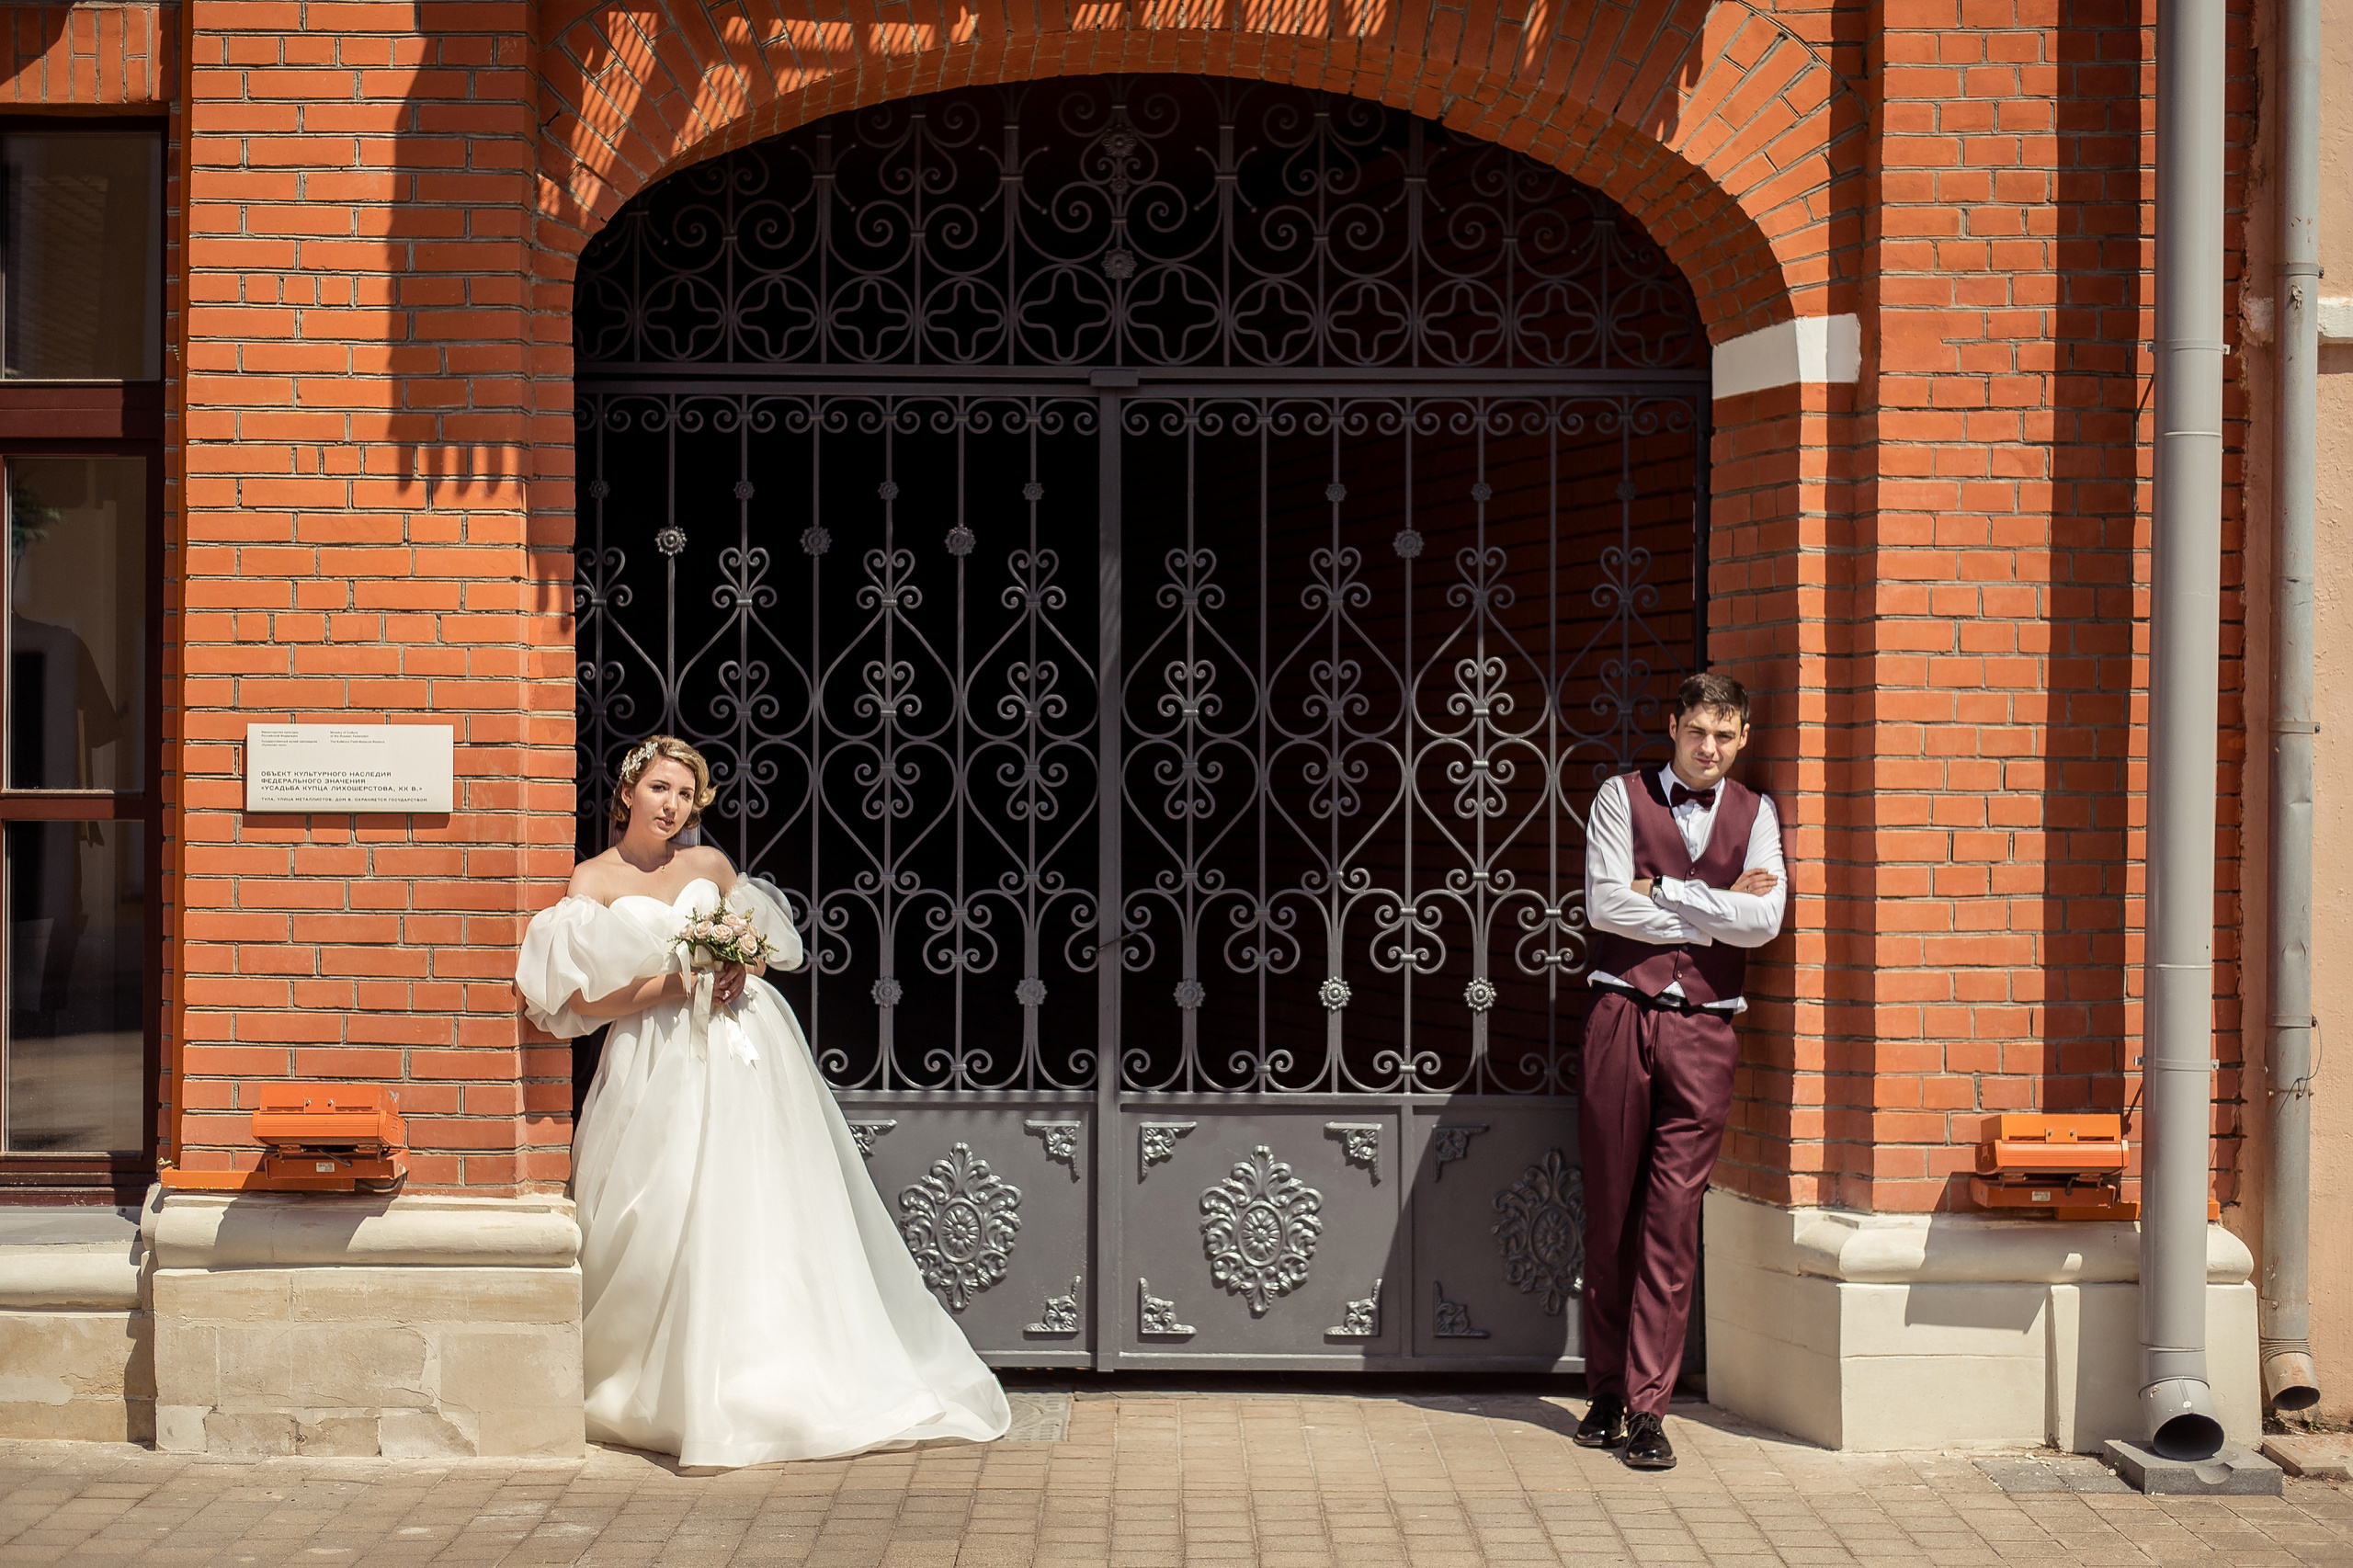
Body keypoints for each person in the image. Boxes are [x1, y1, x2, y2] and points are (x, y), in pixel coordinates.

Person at [512, 735, 1011, 1466]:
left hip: (745, 1048)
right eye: (659, 789)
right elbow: (587, 998)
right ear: (626, 792)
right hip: (657, 1056)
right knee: (662, 1201)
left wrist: (737, 966)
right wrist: (677, 984)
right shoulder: (592, 883)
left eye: (685, 794)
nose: (672, 805)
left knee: (761, 1199)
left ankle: (772, 1372)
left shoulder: (710, 866)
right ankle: (656, 1386)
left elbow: (760, 946)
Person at [1575, 673, 1786, 1471]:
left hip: (1705, 1033)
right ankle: (1601, 1388)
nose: (1710, 749)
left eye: (1726, 736)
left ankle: (1649, 1408)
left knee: (1671, 1218)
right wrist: (1715, 905)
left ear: (1742, 739)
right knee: (1610, 1211)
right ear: (1674, 726)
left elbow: (1764, 924)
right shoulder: (1617, 798)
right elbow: (1605, 907)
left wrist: (1663, 888)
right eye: (1699, 731)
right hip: (1619, 1016)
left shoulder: (1756, 813)